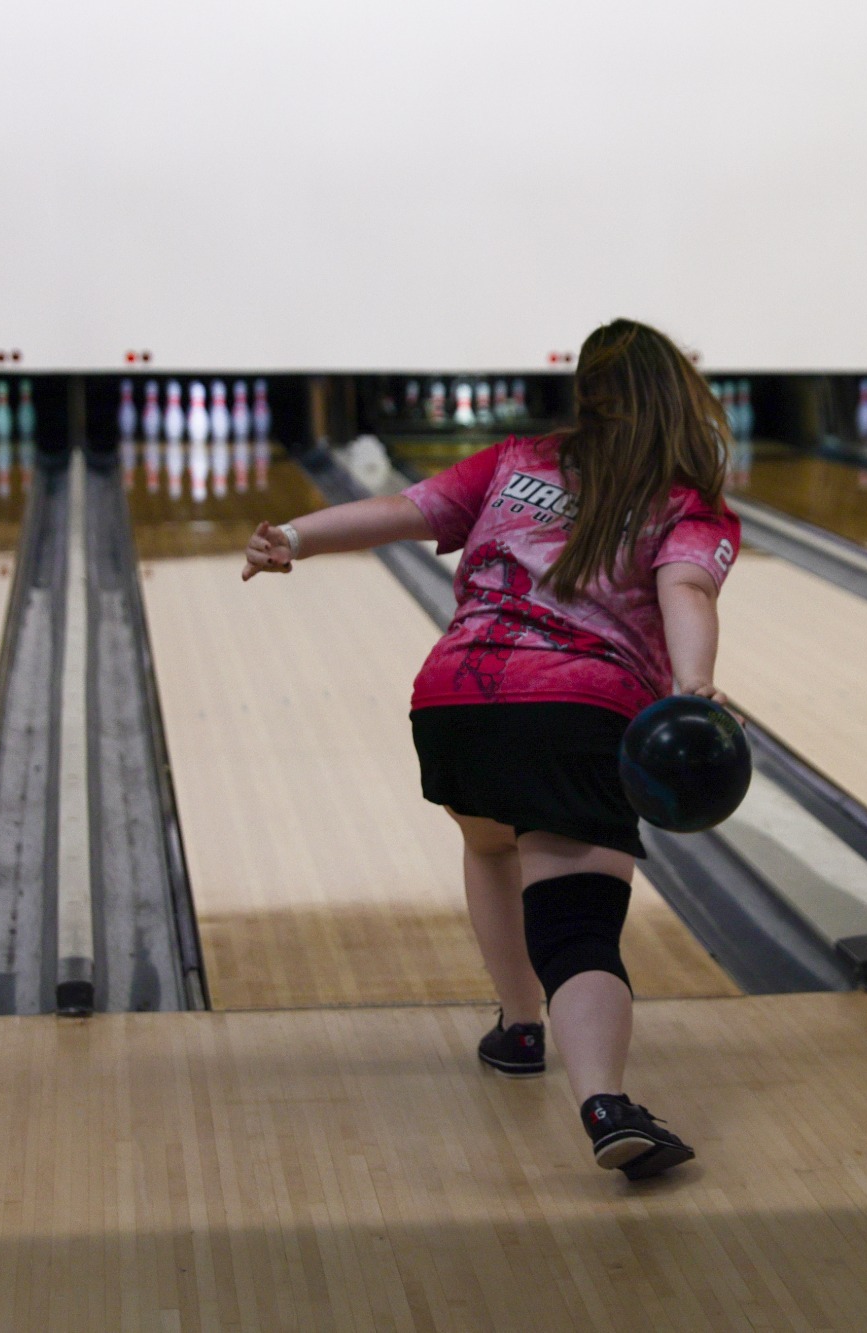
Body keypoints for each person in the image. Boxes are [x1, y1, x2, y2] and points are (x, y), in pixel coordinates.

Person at [242, 318, 740, 1180]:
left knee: (488, 840)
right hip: (574, 712)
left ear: (586, 393)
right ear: (681, 400)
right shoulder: (685, 500)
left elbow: (401, 510)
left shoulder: (516, 459)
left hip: (454, 703)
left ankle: (519, 1026)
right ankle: (605, 1104)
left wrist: (295, 535)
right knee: (577, 925)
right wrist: (693, 687)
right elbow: (687, 589)